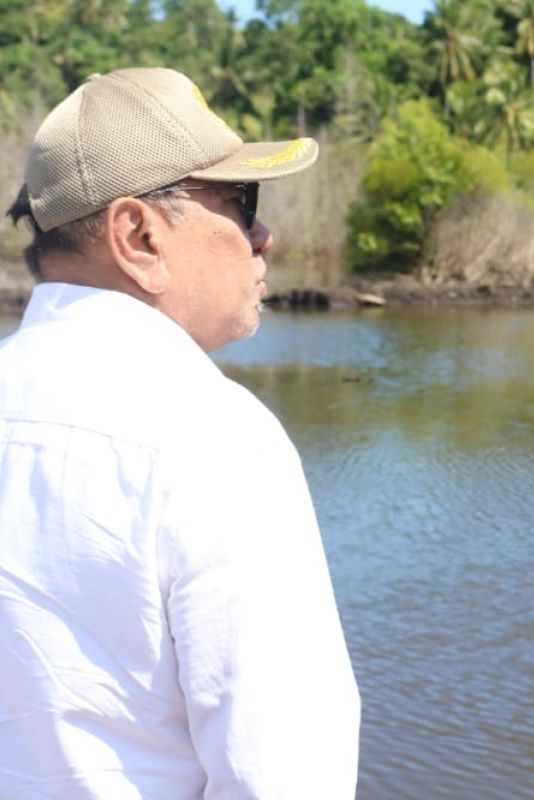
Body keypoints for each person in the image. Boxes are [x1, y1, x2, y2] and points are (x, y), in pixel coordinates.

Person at [0, 68, 360, 798]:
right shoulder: (215, 439)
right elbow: (288, 778)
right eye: (240, 201)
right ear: (138, 235)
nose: (265, 235)